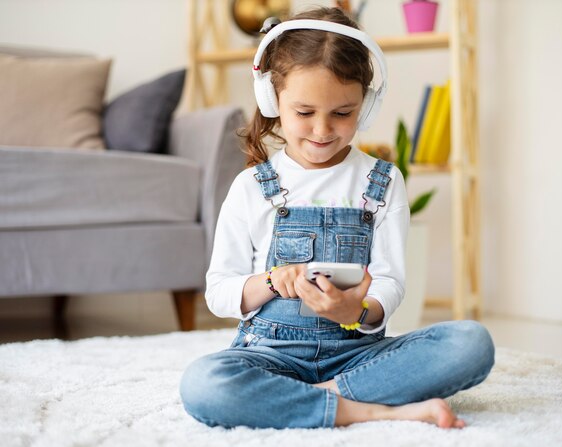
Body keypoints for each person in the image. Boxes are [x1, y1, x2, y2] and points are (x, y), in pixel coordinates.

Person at [180, 7, 494, 430]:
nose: (322, 130)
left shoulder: (382, 181)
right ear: (273, 100)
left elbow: (389, 281)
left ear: (365, 105)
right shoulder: (251, 186)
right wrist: (272, 281)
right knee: (204, 384)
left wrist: (358, 310)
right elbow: (219, 293)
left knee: (470, 344)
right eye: (304, 113)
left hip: (358, 354)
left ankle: (310, 400)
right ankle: (369, 409)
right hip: (269, 354)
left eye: (342, 113)